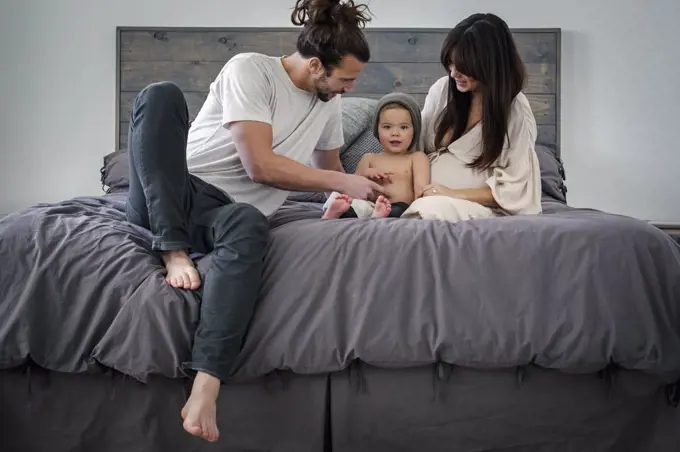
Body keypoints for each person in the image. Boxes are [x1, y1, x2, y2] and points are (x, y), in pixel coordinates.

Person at [125, 0, 384, 443]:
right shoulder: (251, 69)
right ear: (317, 65)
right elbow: (260, 166)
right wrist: (340, 178)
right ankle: (172, 248)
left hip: (226, 214)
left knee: (249, 220)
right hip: (173, 191)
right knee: (160, 94)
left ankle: (207, 381)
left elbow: (330, 172)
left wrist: (355, 194)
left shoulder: (328, 104)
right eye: (345, 79)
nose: (349, 88)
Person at [400, 13, 542, 222]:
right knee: (363, 204)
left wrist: (452, 193)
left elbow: (517, 188)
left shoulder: (516, 109)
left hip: (475, 206)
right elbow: (414, 150)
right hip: (424, 194)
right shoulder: (441, 90)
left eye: (464, 67)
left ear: (489, 65)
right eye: (450, 63)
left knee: (429, 209)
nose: (453, 73)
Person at [322, 92, 430, 219]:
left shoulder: (416, 158)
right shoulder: (369, 158)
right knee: (350, 203)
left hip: (398, 206)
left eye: (404, 127)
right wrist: (366, 174)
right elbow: (353, 185)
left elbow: (421, 190)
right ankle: (334, 213)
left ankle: (378, 216)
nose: (395, 133)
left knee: (399, 210)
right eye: (387, 127)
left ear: (415, 131)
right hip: (369, 204)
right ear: (377, 130)